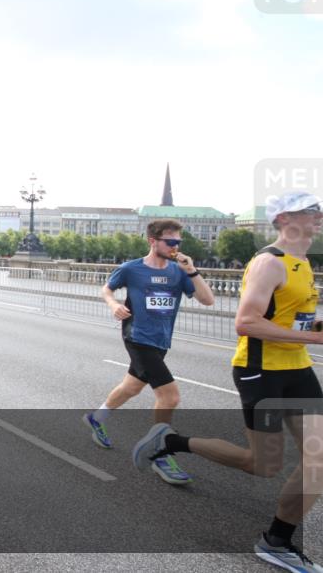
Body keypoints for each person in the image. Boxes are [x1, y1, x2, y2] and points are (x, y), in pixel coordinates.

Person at [133, 193, 323, 571]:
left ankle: (277, 541)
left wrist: (316, 327)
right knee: (262, 464)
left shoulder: (302, 262)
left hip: (297, 369)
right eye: (312, 211)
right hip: (260, 371)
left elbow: (291, 319)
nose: (320, 216)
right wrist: (315, 338)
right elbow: (246, 322)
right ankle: (170, 441)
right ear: (285, 219)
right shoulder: (269, 262)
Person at [82, 218, 214, 484]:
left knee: (131, 387)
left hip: (161, 339)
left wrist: (192, 270)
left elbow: (208, 300)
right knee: (170, 397)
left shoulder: (179, 271)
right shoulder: (131, 269)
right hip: (137, 336)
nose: (176, 246)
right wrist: (113, 305)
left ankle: (97, 418)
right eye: (171, 241)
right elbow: (106, 289)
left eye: (179, 242)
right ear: (153, 241)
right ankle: (159, 452)